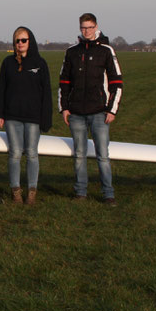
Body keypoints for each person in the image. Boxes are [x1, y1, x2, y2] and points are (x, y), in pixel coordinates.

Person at [59, 13, 123, 206]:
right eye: (83, 27)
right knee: (79, 155)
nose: (86, 31)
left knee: (102, 155)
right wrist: (64, 108)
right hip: (76, 113)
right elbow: (64, 82)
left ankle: (108, 193)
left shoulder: (106, 50)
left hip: (99, 113)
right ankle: (80, 192)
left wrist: (111, 110)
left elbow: (117, 82)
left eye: (89, 27)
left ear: (96, 27)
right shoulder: (72, 52)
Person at [0, 26, 52, 205]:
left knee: (32, 153)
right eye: (17, 41)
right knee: (15, 153)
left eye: (24, 40)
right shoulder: (7, 63)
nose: (20, 44)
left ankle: (32, 192)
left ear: (30, 41)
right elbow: (1, 89)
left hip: (33, 117)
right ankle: (16, 191)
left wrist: (45, 118)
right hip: (12, 117)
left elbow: (46, 93)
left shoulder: (40, 63)